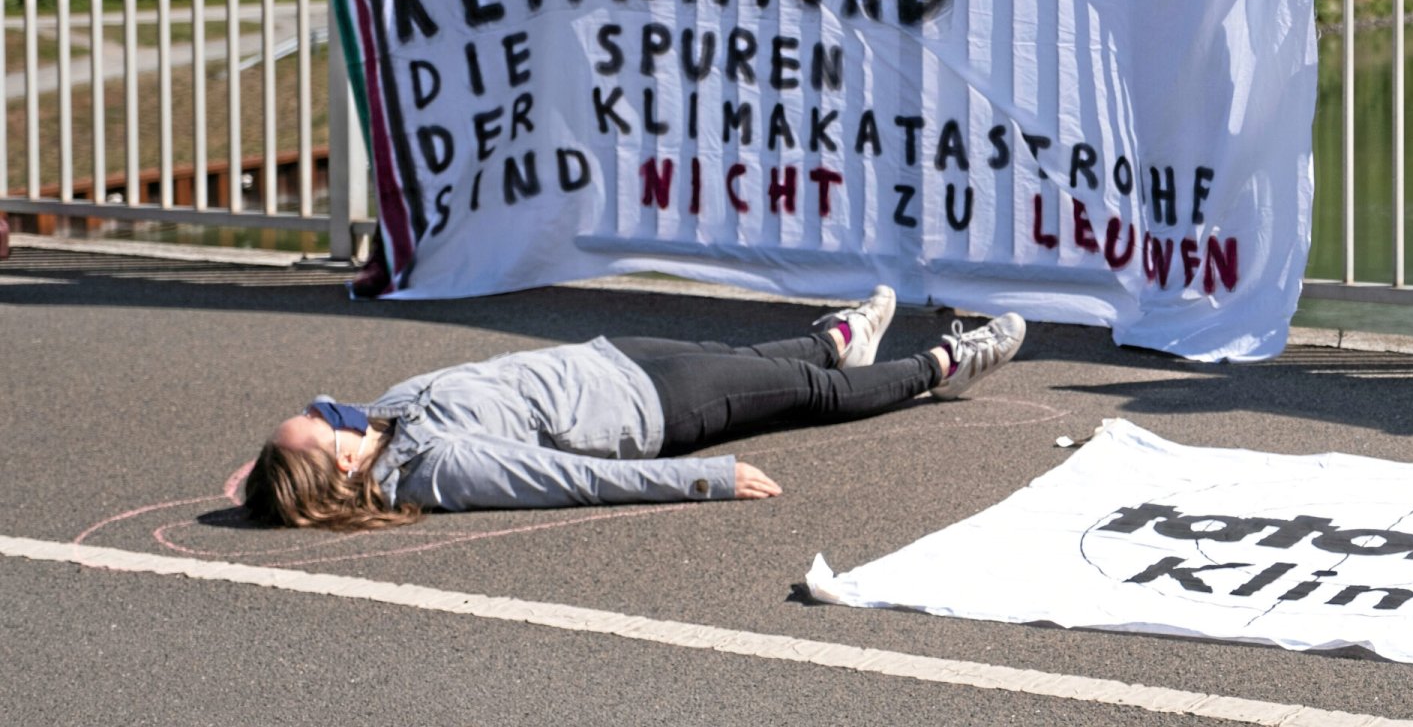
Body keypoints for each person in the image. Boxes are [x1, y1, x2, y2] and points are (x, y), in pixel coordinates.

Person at [241, 290, 1025, 529]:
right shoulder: (436, 467)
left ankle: (835, 340)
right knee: (804, 394)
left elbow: (310, 461)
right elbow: (567, 479)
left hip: (610, 358)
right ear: (345, 460)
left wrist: (264, 477)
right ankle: (941, 367)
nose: (328, 405)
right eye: (320, 417)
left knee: (757, 360)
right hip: (651, 409)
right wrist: (705, 480)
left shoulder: (380, 425)